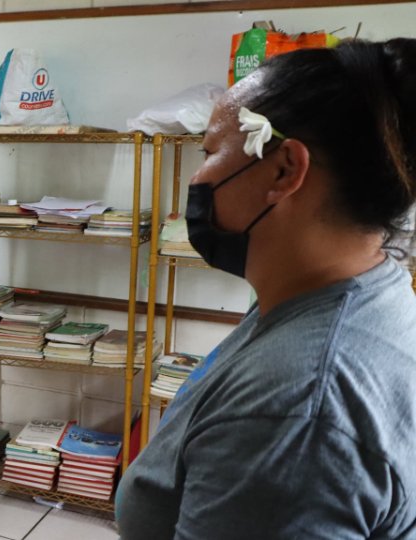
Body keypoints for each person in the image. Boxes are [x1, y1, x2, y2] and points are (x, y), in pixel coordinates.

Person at [117, 38, 416, 539]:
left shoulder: (295, 412)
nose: (198, 176)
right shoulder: (352, 291)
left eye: (210, 151)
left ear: (283, 169)